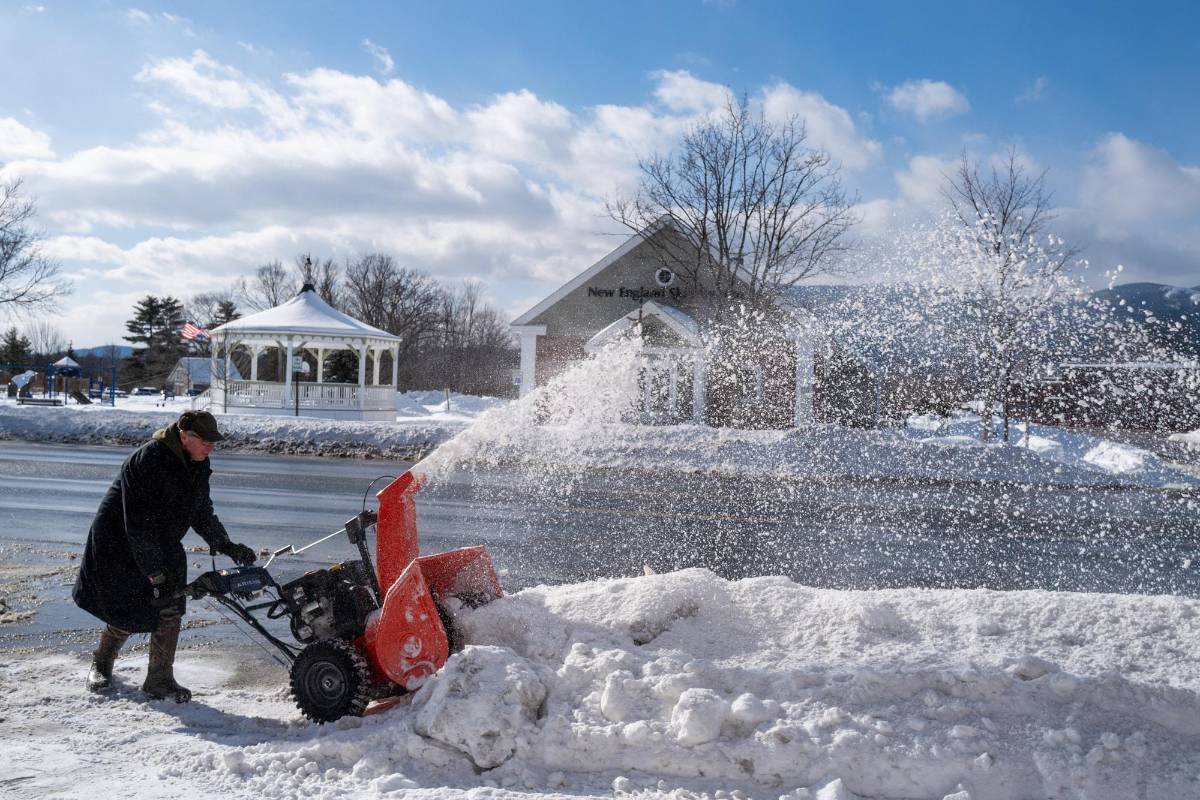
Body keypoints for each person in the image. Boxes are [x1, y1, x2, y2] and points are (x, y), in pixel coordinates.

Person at [73, 410, 257, 702]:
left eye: (213, 441)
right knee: (128, 606)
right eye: (206, 441)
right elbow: (137, 523)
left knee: (170, 603)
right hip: (120, 542)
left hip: (161, 539)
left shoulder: (198, 463)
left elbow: (201, 511)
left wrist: (225, 544)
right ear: (185, 436)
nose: (211, 447)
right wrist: (154, 573)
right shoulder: (149, 460)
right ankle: (102, 663)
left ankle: (159, 679)